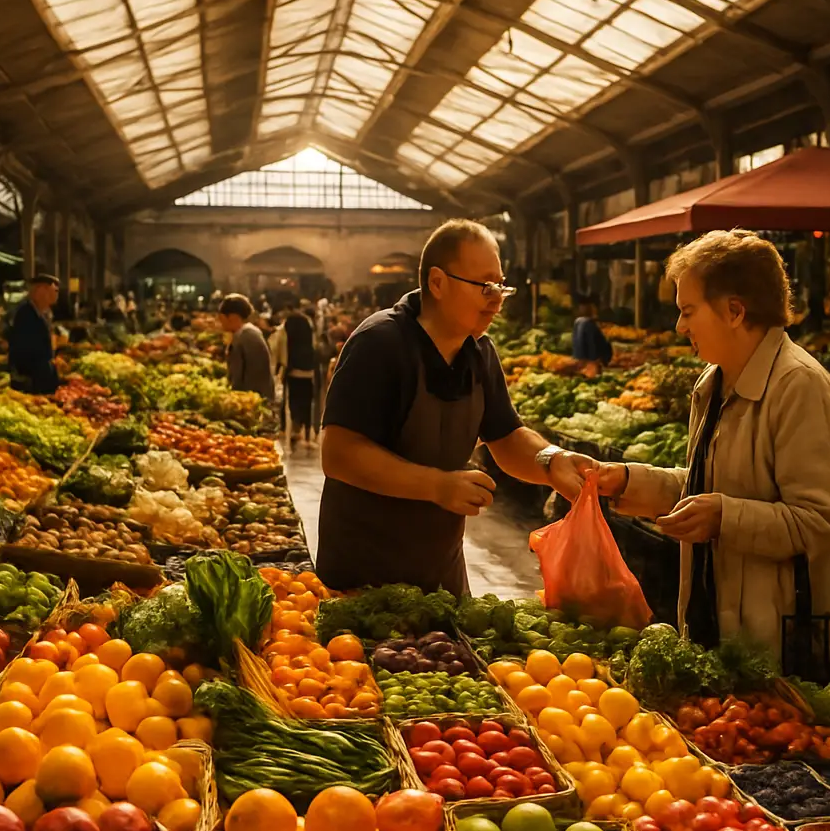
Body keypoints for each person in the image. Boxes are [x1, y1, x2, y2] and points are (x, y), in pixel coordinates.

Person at [571, 229, 830, 672]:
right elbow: (710, 487)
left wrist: (723, 517)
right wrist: (630, 480)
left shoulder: (799, 385)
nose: (680, 326)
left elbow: (820, 523)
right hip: (720, 627)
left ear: (735, 311)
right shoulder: (715, 382)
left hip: (781, 648)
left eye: (688, 311)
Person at [318, 219, 594, 595]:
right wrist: (437, 485)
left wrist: (551, 459)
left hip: (441, 572)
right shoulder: (379, 343)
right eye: (484, 286)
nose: (496, 298)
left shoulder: (479, 351)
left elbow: (506, 435)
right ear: (437, 282)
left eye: (500, 286)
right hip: (364, 575)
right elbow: (339, 453)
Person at [8, 274, 60, 394]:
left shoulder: (45, 312)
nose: (55, 295)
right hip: (32, 377)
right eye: (52, 290)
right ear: (39, 291)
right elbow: (24, 348)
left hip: (43, 373)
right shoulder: (25, 314)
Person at [219, 294, 276, 403]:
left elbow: (237, 378)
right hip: (259, 397)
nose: (220, 323)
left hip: (255, 400)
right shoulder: (249, 332)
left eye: (222, 318)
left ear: (232, 317)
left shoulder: (244, 336)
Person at [282, 303, 317, 444]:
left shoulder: (290, 339)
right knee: (307, 401)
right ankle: (308, 431)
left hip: (293, 370)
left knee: (294, 400)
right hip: (308, 371)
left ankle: (296, 428)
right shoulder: (308, 338)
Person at [571, 295, 613, 376]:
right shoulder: (588, 324)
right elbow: (592, 345)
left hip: (580, 362)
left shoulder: (578, 322)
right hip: (589, 364)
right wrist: (594, 361)